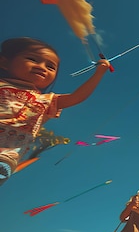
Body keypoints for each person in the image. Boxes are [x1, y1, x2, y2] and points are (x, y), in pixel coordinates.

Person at [0, 37, 110, 185]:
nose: (42, 67)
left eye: (50, 67)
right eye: (32, 59)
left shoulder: (46, 100)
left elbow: (76, 97)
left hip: (8, 151)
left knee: (6, 160)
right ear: (4, 62)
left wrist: (99, 73)